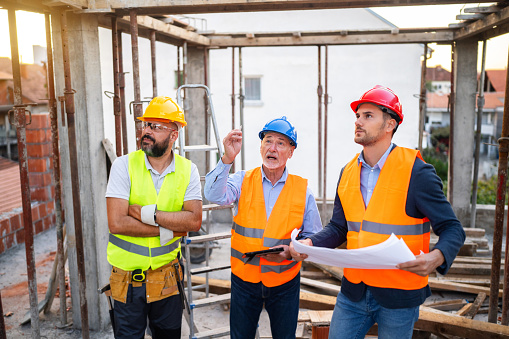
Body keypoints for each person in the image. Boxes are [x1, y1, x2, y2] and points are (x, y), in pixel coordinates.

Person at [289, 86, 466, 339]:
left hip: (399, 295)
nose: (358, 121)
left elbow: (452, 228)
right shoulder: (347, 172)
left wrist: (436, 257)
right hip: (353, 292)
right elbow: (340, 227)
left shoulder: (417, 172)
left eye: (368, 116)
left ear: (389, 125)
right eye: (358, 116)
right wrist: (310, 242)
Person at [204, 116, 322, 339]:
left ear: (291, 151)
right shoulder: (241, 180)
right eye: (268, 141)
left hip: (284, 282)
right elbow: (212, 194)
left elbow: (313, 235)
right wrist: (227, 159)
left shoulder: (302, 189)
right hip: (244, 280)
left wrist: (296, 250)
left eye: (280, 143)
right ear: (260, 147)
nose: (273, 148)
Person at [105, 96, 202, 338]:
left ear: (174, 134)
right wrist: (170, 229)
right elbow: (117, 223)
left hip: (167, 278)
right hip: (128, 281)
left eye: (156, 127)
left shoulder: (188, 170)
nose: (146, 132)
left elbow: (193, 221)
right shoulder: (122, 165)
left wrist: (148, 214)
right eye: (146, 125)